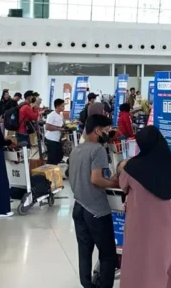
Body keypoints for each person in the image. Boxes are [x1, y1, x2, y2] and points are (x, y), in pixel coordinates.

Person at [116, 127, 171, 287]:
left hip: (140, 219)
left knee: (138, 256)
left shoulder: (132, 167)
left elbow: (122, 185)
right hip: (165, 218)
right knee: (163, 255)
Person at [70, 114, 119, 288]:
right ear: (97, 130)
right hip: (96, 210)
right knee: (107, 255)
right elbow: (96, 179)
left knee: (84, 250)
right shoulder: (97, 150)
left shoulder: (77, 149)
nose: (109, 133)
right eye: (107, 130)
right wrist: (114, 182)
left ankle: (87, 284)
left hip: (78, 207)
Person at [45, 99, 66, 165]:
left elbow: (62, 125)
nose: (63, 107)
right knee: (52, 158)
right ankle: (48, 173)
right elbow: (47, 127)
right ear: (57, 106)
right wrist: (59, 129)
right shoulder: (52, 115)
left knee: (59, 156)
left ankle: (54, 170)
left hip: (57, 139)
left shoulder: (60, 115)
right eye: (62, 106)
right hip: (51, 139)